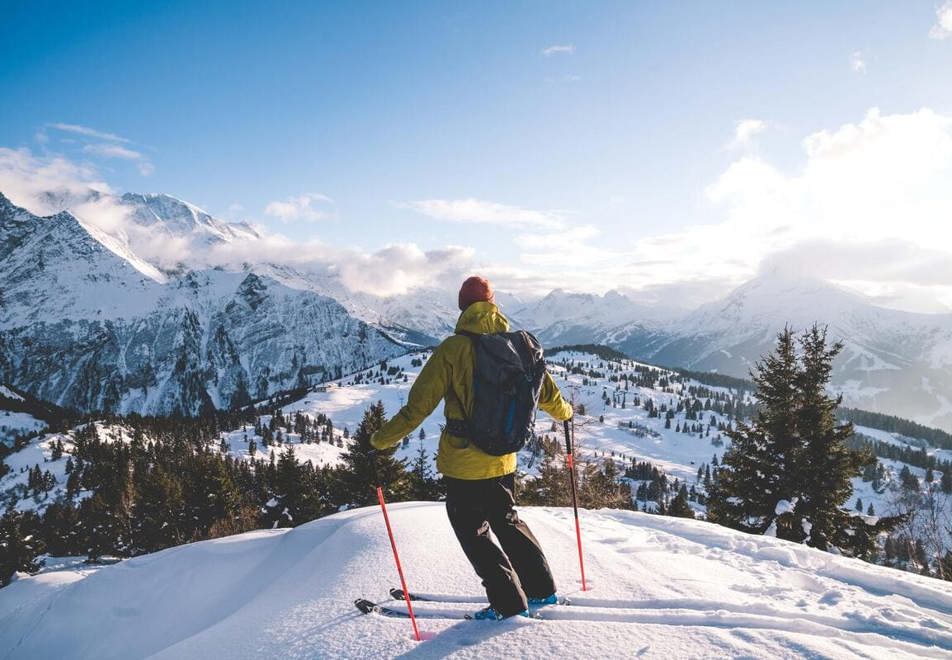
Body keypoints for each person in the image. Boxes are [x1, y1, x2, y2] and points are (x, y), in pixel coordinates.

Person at [370, 275, 574, 620]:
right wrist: (566, 415)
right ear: (494, 305)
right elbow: (550, 397)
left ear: (463, 308)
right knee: (508, 522)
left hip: (464, 463)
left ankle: (508, 604)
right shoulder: (520, 347)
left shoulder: (452, 349)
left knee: (473, 532)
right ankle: (542, 591)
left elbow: (417, 408)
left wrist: (379, 440)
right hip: (504, 460)